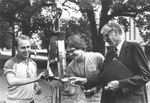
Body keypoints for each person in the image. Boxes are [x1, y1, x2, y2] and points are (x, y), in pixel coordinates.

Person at [69, 22, 150, 103]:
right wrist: (85, 80)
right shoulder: (109, 54)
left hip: (131, 98)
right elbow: (103, 76)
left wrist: (120, 84)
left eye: (106, 35)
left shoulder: (134, 47)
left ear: (116, 32)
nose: (105, 40)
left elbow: (145, 75)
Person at [3, 35, 45, 103]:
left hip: (30, 101)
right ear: (16, 48)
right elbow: (11, 81)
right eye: (23, 48)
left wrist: (37, 87)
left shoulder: (33, 63)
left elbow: (34, 81)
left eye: (28, 47)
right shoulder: (10, 63)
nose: (26, 50)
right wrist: (36, 79)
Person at [66, 35, 105, 103]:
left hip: (99, 96)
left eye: (72, 51)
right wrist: (72, 83)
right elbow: (73, 83)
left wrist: (97, 88)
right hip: (82, 97)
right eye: (68, 52)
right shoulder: (70, 67)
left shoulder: (97, 57)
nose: (70, 54)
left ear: (81, 48)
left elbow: (106, 75)